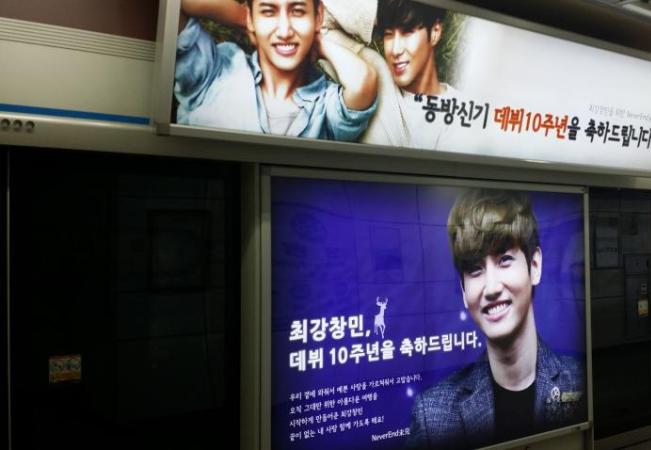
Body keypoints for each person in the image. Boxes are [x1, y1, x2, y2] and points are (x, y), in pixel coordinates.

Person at [406, 189, 585, 449]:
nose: (491, 288)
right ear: (463, 290)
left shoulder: (582, 379)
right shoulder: (432, 414)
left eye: (504, 259)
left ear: (534, 266)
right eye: (474, 269)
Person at [174, 0, 377, 141]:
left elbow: (363, 82)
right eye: (268, 12)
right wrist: (245, 19)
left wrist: (318, 42)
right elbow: (176, 5)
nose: (284, 31)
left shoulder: (324, 107)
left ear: (318, 17)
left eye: (297, 11)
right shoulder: (213, 73)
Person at [375, 0, 460, 150]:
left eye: (407, 32)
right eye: (388, 34)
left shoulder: (461, 109)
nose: (395, 50)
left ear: (435, 32)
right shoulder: (375, 88)